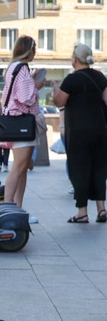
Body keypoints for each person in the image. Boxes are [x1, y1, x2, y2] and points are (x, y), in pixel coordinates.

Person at [53, 43, 107, 223]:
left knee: (80, 169)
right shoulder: (100, 77)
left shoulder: (71, 79)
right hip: (100, 130)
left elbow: (59, 101)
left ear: (75, 59)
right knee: (100, 168)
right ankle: (101, 209)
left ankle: (82, 212)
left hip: (78, 132)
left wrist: (55, 88)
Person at [0, 36, 51, 210]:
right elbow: (25, 98)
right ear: (30, 50)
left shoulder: (14, 67)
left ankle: (17, 207)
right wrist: (36, 87)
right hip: (22, 122)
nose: (35, 53)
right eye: (34, 49)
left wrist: (31, 80)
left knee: (22, 168)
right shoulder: (22, 70)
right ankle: (8, 206)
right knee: (19, 167)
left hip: (15, 120)